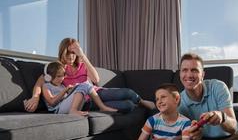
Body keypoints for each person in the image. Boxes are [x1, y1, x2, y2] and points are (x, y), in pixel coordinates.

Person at [24, 38, 155, 113]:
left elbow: (96, 79)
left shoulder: (82, 64)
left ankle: (142, 102)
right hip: (85, 102)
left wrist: (82, 55)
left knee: (128, 93)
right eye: (68, 53)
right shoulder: (57, 68)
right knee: (128, 106)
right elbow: (41, 81)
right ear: (62, 52)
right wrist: (35, 97)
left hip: (97, 93)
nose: (71, 56)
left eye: (74, 53)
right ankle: (135, 105)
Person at [42, 61, 117, 115]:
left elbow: (67, 97)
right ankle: (73, 110)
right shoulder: (46, 86)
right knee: (83, 85)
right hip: (57, 110)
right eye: (59, 76)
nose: (62, 78)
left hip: (65, 106)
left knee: (86, 85)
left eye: (63, 75)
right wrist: (65, 90)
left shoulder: (61, 85)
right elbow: (52, 102)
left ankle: (102, 107)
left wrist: (73, 89)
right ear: (49, 77)